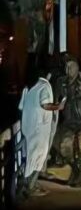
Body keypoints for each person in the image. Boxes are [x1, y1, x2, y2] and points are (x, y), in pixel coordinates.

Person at [51, 57, 81, 188]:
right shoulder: (61, 82)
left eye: (71, 66)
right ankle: (75, 167)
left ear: (77, 67)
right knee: (64, 145)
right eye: (66, 67)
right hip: (69, 120)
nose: (69, 70)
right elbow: (56, 99)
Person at [17, 65, 63, 198]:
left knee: (30, 157)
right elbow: (45, 105)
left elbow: (21, 107)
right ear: (48, 75)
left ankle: (28, 185)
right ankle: (30, 187)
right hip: (39, 130)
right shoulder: (44, 86)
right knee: (38, 157)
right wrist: (58, 106)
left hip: (28, 128)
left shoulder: (28, 87)